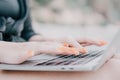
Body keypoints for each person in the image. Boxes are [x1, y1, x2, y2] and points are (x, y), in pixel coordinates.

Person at [0, 0, 106, 64]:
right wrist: (9, 48)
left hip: (22, 58)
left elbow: (27, 33)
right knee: (112, 68)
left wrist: (53, 42)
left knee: (112, 61)